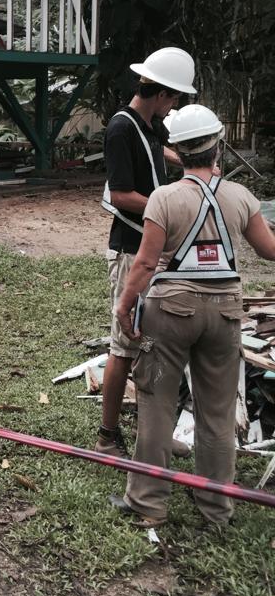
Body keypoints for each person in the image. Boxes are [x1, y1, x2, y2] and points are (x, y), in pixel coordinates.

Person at [112, 104, 275, 527]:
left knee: (156, 402)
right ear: (218, 146)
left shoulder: (165, 198)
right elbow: (268, 249)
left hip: (170, 315)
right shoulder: (240, 197)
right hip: (224, 315)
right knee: (218, 411)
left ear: (178, 152)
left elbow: (146, 265)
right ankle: (216, 509)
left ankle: (148, 503)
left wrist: (124, 304)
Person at [97, 47, 196, 458]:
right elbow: (120, 194)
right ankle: (107, 436)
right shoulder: (121, 129)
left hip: (152, 248)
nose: (173, 106)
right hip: (130, 251)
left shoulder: (148, 125)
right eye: (175, 99)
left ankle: (152, 436)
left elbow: (159, 153)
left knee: (154, 345)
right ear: (165, 94)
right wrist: (169, 201)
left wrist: (191, 162)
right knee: (125, 344)